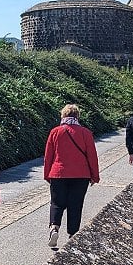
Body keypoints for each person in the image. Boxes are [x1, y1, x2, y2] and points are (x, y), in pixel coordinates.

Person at [43, 104, 100, 248]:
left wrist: (47, 175)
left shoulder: (55, 132)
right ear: (77, 117)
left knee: (56, 203)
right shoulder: (85, 133)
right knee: (76, 204)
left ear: (63, 116)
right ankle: (73, 235)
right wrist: (95, 176)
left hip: (58, 173)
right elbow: (92, 156)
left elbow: (48, 156)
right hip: (81, 175)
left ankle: (54, 228)